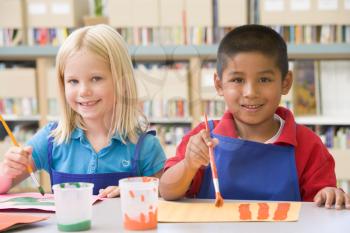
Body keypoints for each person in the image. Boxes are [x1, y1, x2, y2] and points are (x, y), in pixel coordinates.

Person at [159, 24, 350, 209]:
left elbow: (323, 201)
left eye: (264, 79)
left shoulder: (309, 145)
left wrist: (330, 194)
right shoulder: (203, 136)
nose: (250, 92)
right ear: (219, 85)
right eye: (237, 80)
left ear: (285, 82)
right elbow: (166, 191)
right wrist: (188, 165)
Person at [0, 24, 166, 198]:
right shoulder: (52, 138)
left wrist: (135, 191)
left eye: (96, 78)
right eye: (73, 81)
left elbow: (168, 193)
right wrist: (8, 170)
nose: (83, 91)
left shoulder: (145, 146)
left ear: (122, 83)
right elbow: (3, 186)